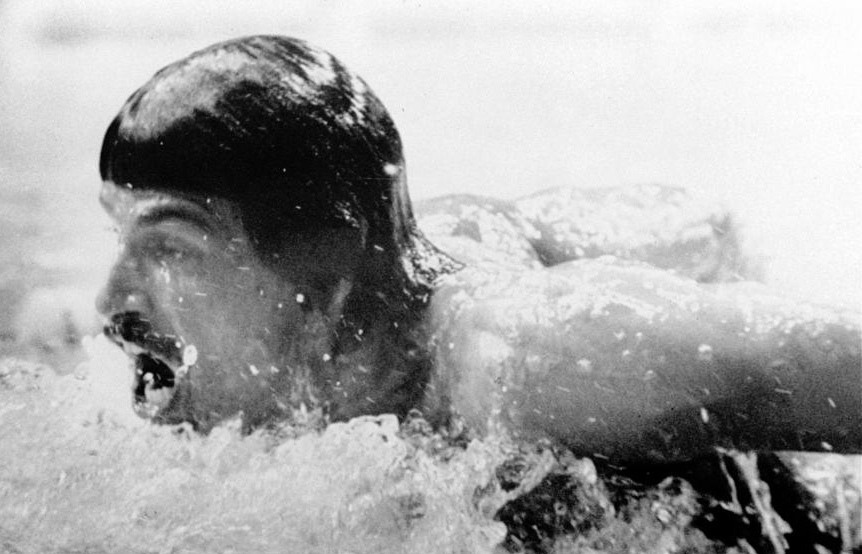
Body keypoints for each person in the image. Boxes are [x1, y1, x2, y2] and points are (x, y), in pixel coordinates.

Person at [96, 35, 859, 464]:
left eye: (170, 248)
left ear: (323, 263)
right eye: (118, 237)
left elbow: (799, 338)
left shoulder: (541, 362)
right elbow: (699, 221)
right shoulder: (449, 235)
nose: (111, 303)